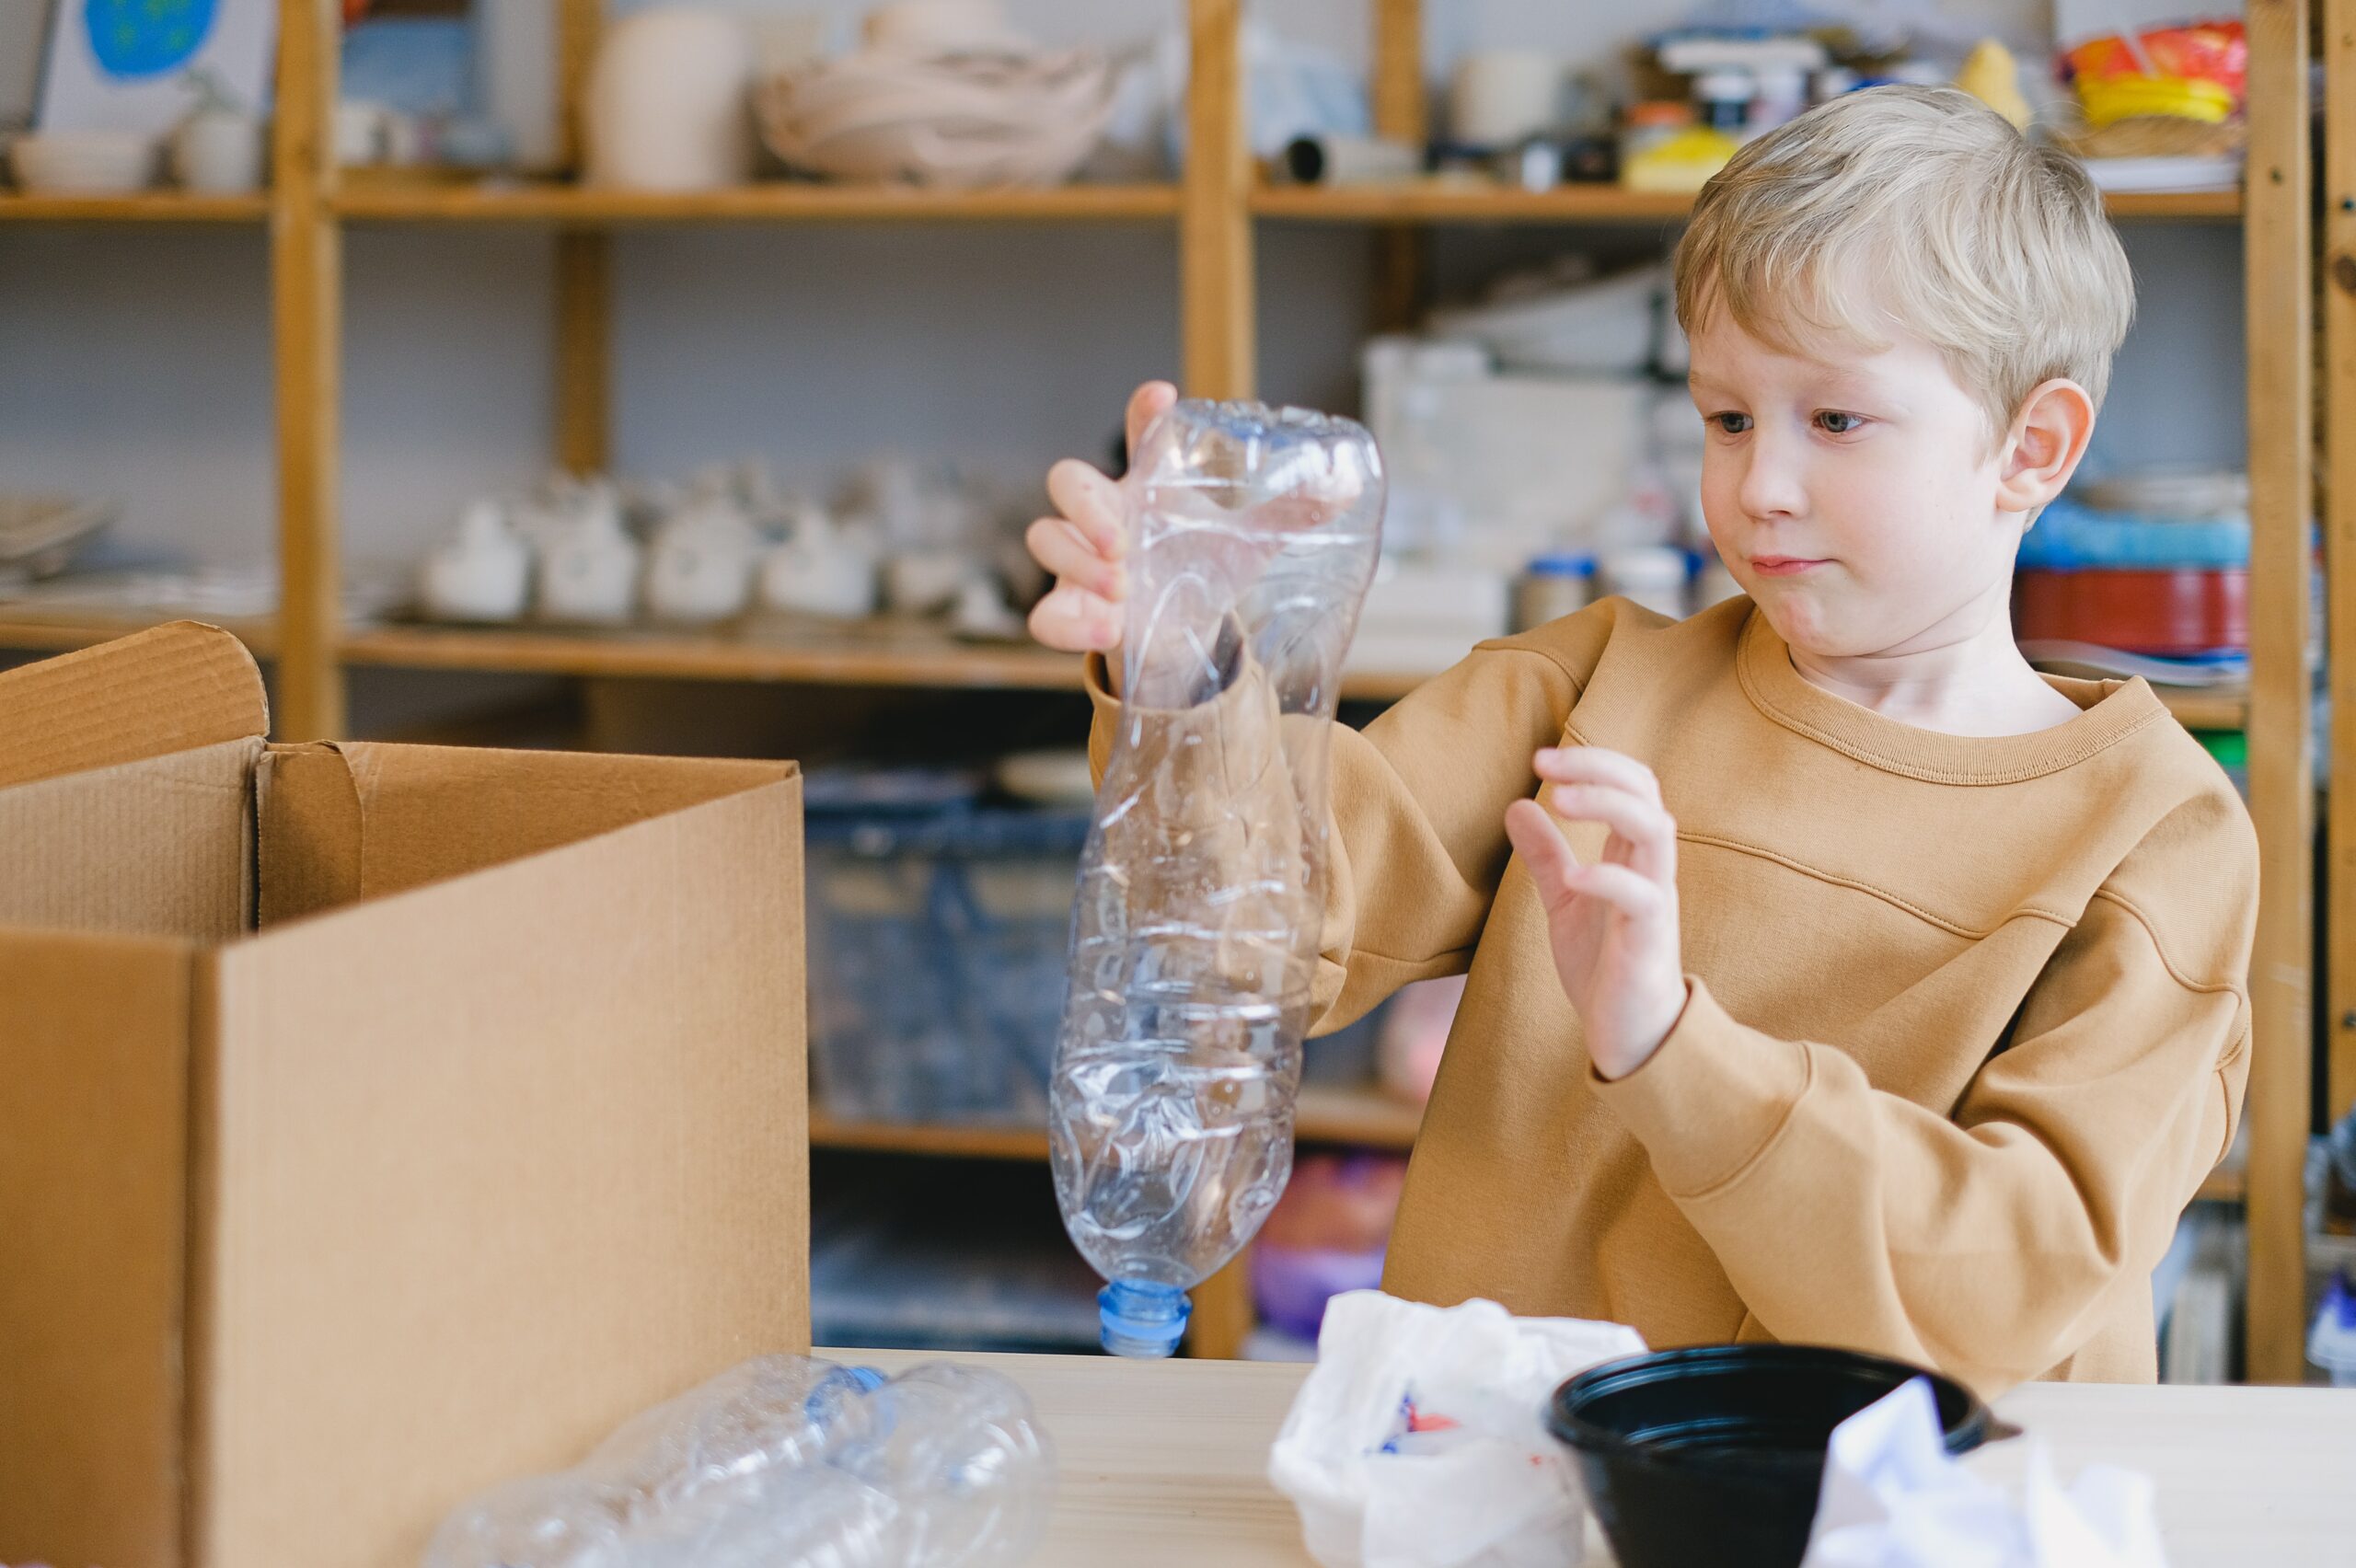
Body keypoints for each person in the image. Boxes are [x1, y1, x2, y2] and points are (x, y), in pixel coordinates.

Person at [1022, 86, 2257, 1396]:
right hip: (1505, 1486)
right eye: (1729, 417)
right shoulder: (1592, 689)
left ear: (2032, 446)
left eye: (1834, 420)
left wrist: (1673, 1045)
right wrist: (1183, 677)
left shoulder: (2150, 833)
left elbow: (2012, 1280)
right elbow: (1266, 927)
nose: (1757, 486)